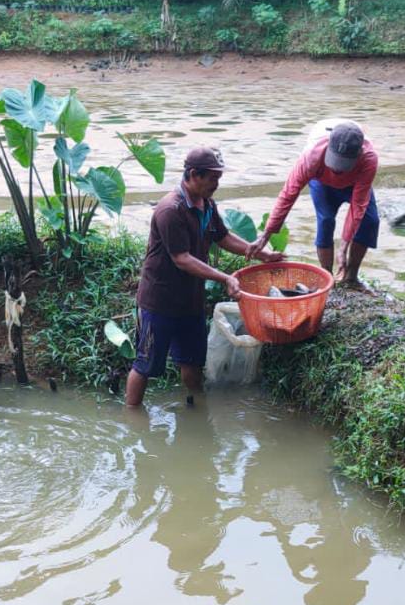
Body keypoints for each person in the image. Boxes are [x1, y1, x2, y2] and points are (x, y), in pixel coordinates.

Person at [125, 147, 283, 407]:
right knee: (146, 364)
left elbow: (222, 237)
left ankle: (197, 408)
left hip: (190, 300)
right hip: (160, 301)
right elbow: (181, 258)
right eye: (212, 178)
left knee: (192, 361)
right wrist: (225, 278)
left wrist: (261, 254)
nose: (217, 184)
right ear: (194, 175)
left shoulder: (207, 204)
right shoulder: (170, 210)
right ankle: (132, 416)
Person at [247, 119, 379, 288]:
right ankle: (327, 277)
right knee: (325, 220)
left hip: (354, 184)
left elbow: (358, 206)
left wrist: (343, 247)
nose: (337, 169)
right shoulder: (312, 155)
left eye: (343, 164)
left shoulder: (369, 158)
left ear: (359, 153)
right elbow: (288, 194)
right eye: (335, 162)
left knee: (370, 221)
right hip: (321, 182)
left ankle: (351, 278)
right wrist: (266, 235)